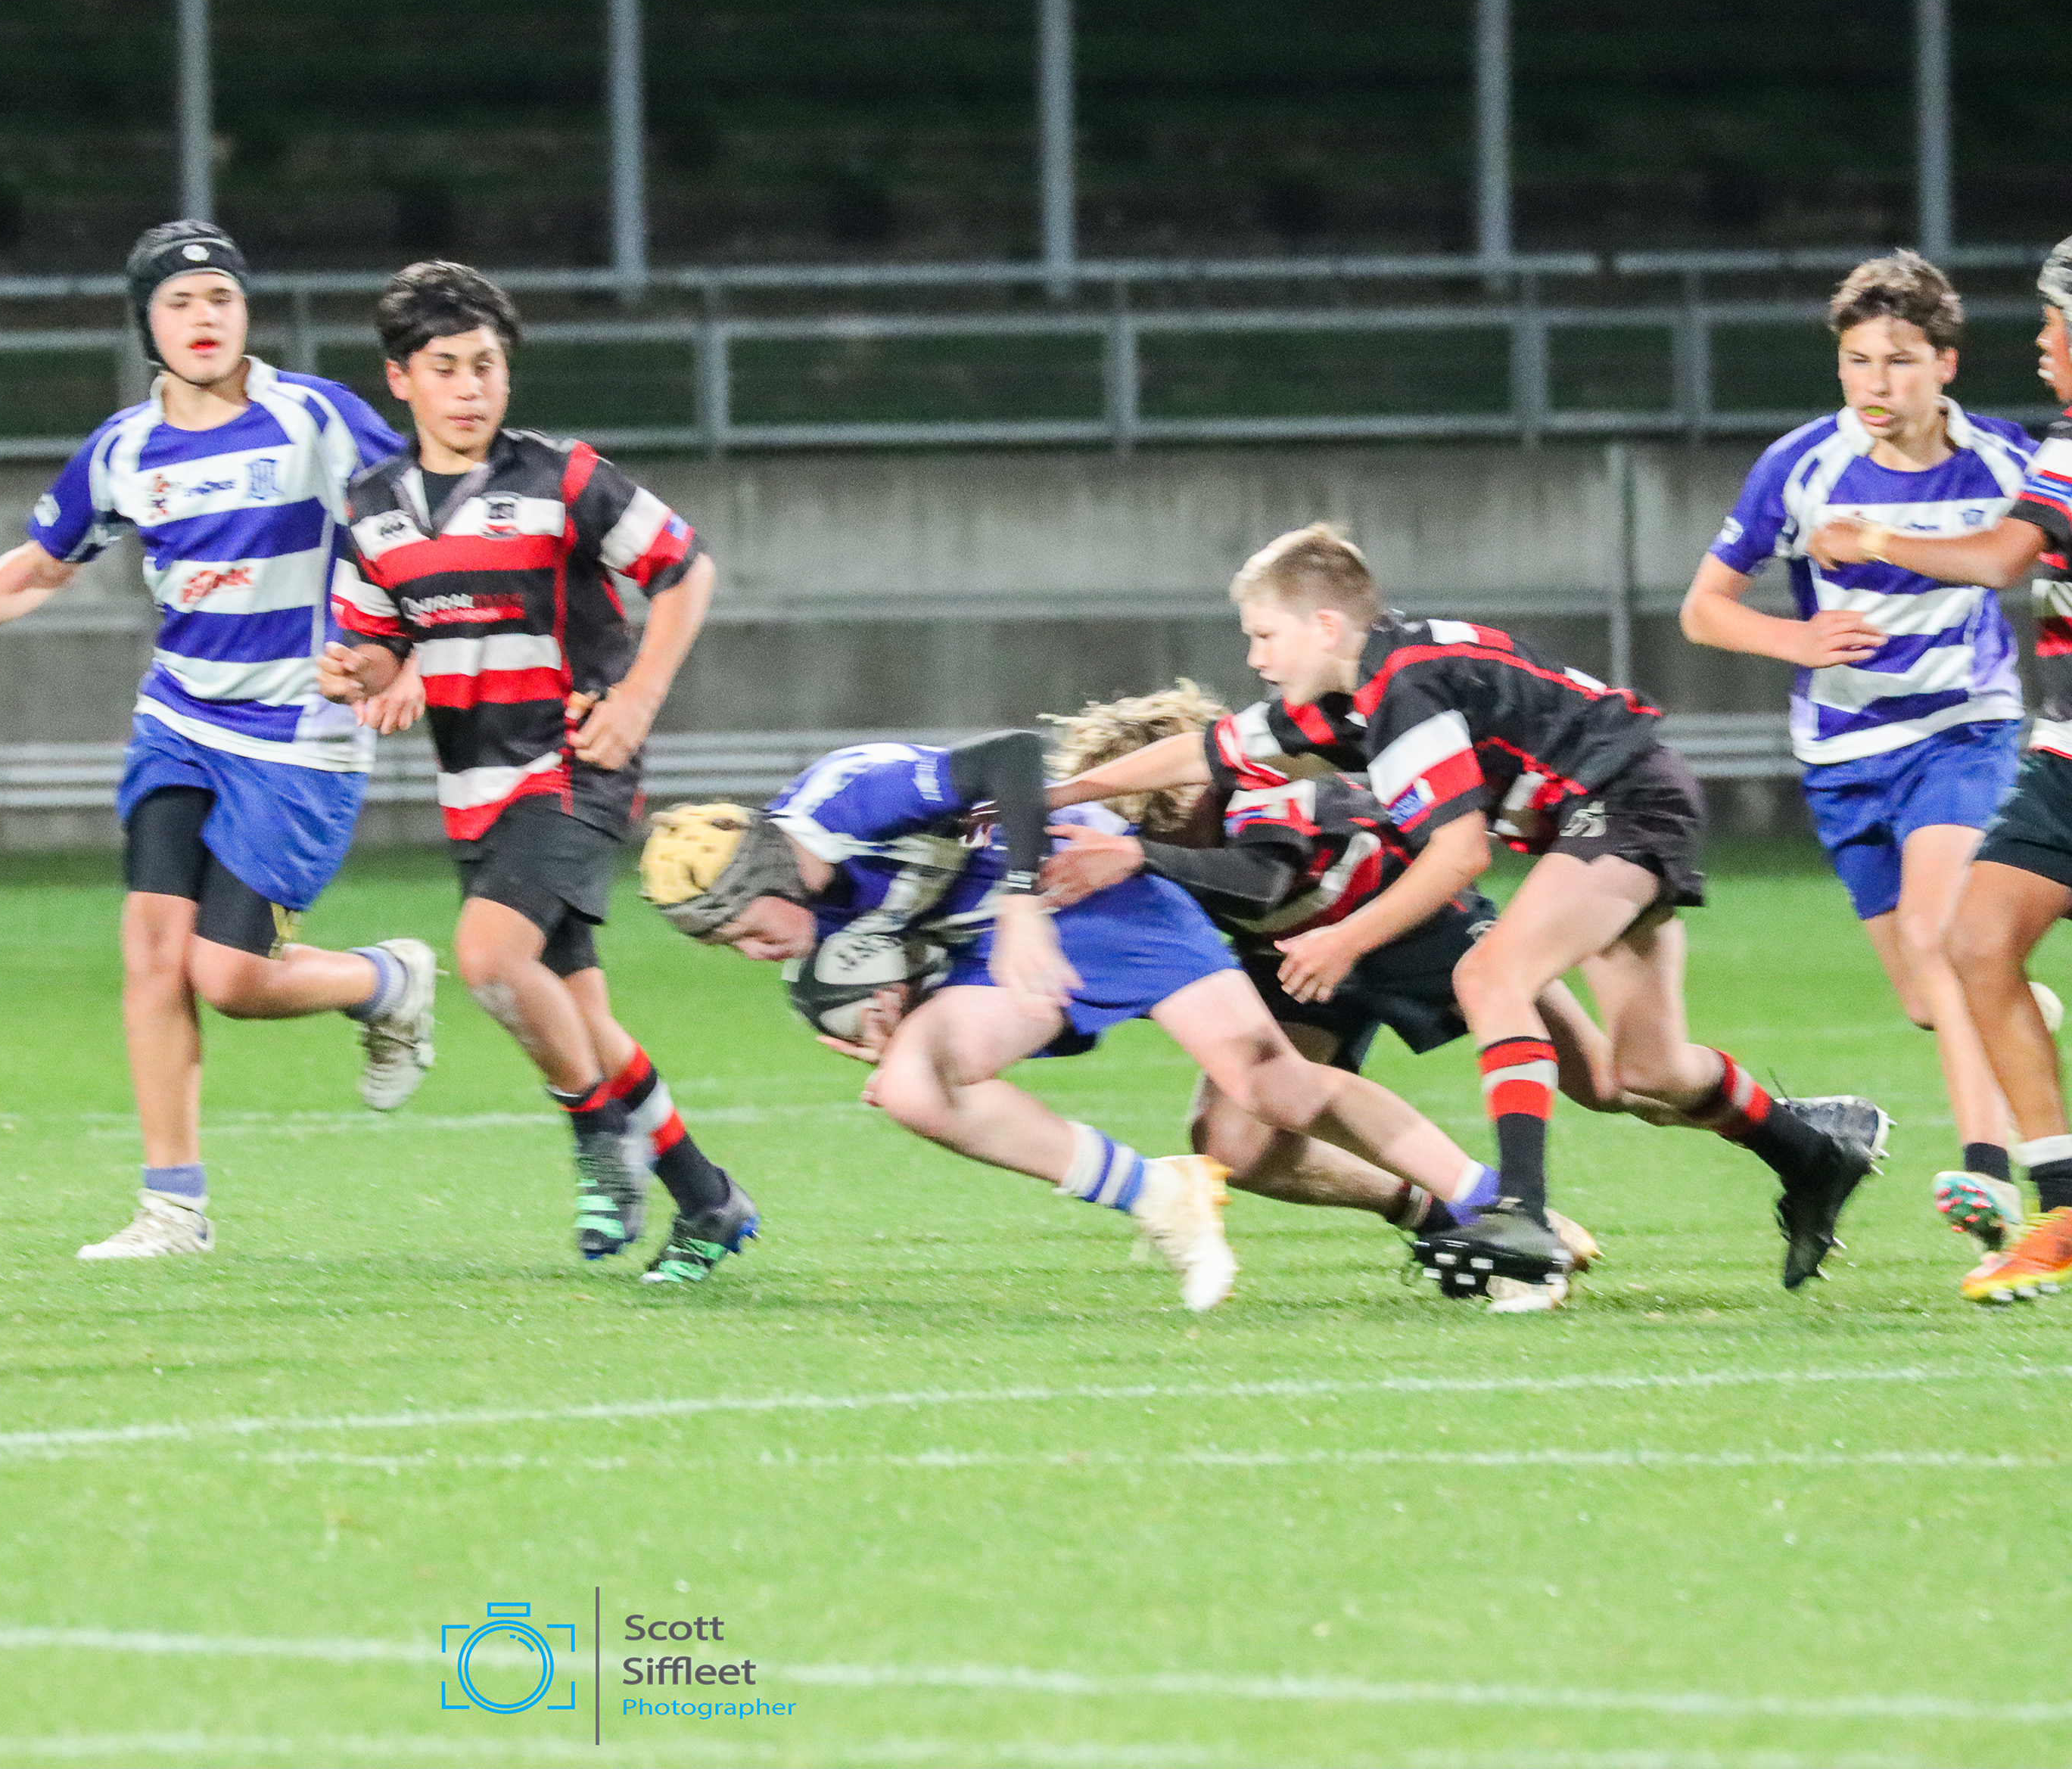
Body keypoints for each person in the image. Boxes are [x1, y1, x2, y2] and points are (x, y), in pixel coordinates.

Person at [1055, 525, 1893, 1298]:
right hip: (1612, 807)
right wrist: (1067, 793)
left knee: (1492, 975)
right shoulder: (1359, 689)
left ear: (1324, 626)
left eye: (1265, 636)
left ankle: (1519, 1212)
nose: (1255, 657)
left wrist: (1346, 938)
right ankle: (1809, 1151)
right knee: (1639, 1073)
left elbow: (1459, 856)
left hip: (1622, 803)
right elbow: (1204, 751)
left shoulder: (1399, 688)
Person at [0, 220, 437, 1262]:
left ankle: (387, 981)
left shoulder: (314, 419)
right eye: (180, 303)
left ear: (247, 313)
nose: (204, 318)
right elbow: (45, 562)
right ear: (147, 327)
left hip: (297, 737)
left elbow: (425, 531)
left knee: (232, 979)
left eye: (221, 298)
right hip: (179, 724)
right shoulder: (125, 448)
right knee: (151, 955)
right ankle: (173, 1209)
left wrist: (411, 657)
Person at [639, 730, 1523, 1312]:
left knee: (1268, 1086)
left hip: (1085, 887)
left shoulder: (849, 803)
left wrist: (1024, 902)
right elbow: (906, 942)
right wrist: (902, 1014)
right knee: (910, 1085)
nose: (752, 953)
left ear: (767, 873)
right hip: (991, 942)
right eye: (727, 945)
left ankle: (1503, 1209)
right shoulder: (803, 921)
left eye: (744, 929)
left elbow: (1013, 759)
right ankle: (1162, 1197)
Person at [316, 261, 754, 1283]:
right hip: (474, 788)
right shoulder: (371, 507)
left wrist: (637, 697)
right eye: (446, 367)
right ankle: (708, 1200)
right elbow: (380, 643)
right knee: (579, 1014)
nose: (470, 387)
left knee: (486, 956)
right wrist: (359, 672)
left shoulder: (561, 478)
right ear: (400, 380)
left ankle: (599, 1145)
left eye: (487, 365)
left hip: (573, 763)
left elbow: (686, 569)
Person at [1678, 251, 2044, 1256]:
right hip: (1844, 754)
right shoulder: (1800, 466)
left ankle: (1989, 1174)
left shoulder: (2006, 460)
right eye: (1857, 361)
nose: (1876, 383)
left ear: (1946, 364)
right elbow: (1704, 609)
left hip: (1965, 730)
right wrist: (1794, 639)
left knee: (1939, 933)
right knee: (1930, 997)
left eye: (1900, 360)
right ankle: (2017, 1009)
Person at [1042, 682, 1650, 1276]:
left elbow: (1263, 880)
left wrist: (1140, 856)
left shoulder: (1258, 785)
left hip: (1420, 932)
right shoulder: (1142, 842)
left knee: (1609, 1082)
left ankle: (1708, 1107)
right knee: (1233, 1139)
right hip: (1293, 959)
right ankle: (1444, 1211)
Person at [1809, 235, 2072, 1303]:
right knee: (1974, 943)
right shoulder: (2064, 442)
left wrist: (1877, 542)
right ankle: (2062, 1214)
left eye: (2057, 322)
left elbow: (2005, 556)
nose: (2044, 342)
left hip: (2012, 740)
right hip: (2065, 750)